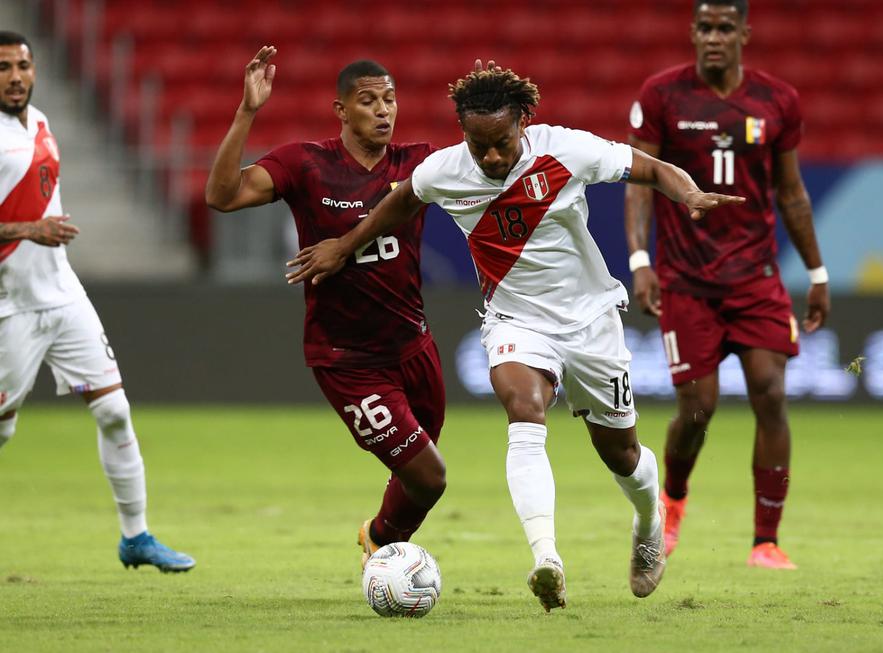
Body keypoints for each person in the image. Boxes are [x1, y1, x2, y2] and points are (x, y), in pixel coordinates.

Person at [285, 61, 743, 611]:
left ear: (523, 123)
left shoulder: (566, 149)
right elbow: (402, 201)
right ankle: (547, 559)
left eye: (501, 144)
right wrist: (344, 245)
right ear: (463, 134)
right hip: (515, 320)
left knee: (620, 453)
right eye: (479, 146)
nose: (491, 157)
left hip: (590, 319)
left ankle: (649, 518)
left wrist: (688, 193)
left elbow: (648, 168)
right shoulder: (445, 170)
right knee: (523, 412)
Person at [205, 48, 447, 567]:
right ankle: (383, 548)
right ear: (341, 110)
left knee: (417, 477)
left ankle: (379, 539)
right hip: (348, 360)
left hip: (414, 346)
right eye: (368, 101)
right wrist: (247, 111)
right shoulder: (305, 163)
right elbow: (222, 195)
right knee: (430, 476)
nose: (383, 110)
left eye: (389, 99)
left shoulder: (419, 163)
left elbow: (491, 171)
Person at [624, 0, 830, 570]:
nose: (714, 37)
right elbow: (640, 182)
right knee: (698, 408)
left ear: (744, 33)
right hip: (686, 280)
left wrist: (817, 272)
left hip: (755, 279)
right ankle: (672, 500)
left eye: (724, 28)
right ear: (693, 33)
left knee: (771, 391)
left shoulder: (777, 100)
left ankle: (766, 540)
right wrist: (640, 260)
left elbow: (791, 192)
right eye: (705, 28)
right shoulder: (662, 95)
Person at [0, 31, 194, 572]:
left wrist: (41, 233)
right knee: (4, 429)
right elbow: (28, 220)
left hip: (62, 294)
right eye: (3, 67)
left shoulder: (39, 121)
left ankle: (137, 537)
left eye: (22, 66)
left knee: (113, 410)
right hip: (10, 304)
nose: (15, 77)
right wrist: (28, 229)